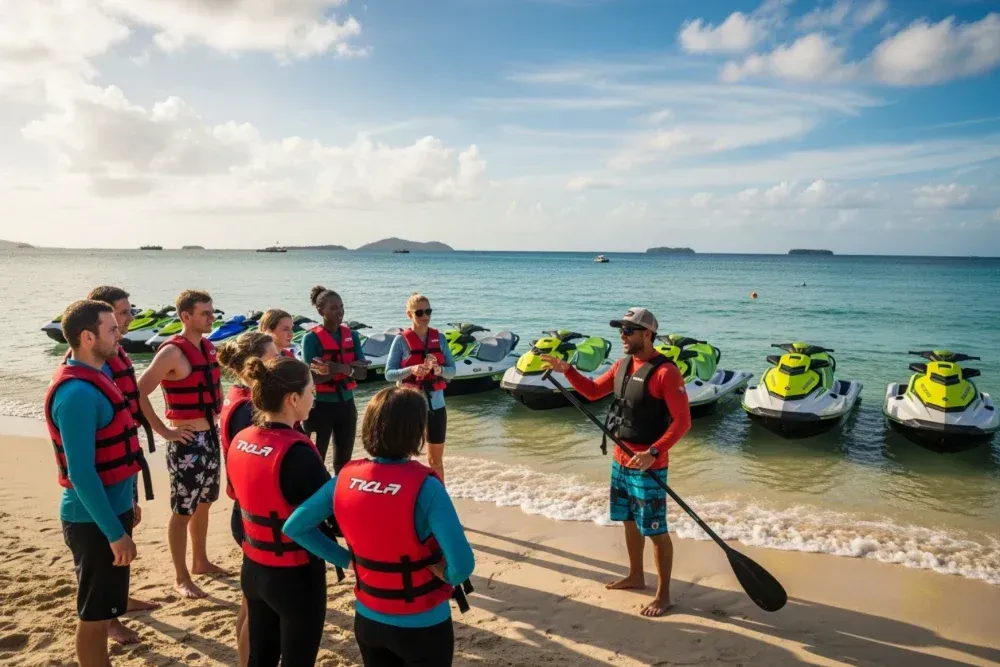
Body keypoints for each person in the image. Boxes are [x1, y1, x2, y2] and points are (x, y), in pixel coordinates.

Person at [284, 386, 475, 667]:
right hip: (423, 623)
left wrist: (347, 560)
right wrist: (445, 573)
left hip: (369, 619)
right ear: (418, 431)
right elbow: (462, 567)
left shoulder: (345, 478)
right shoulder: (427, 487)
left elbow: (295, 526)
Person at [541, 307, 691, 618]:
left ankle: (663, 595)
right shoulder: (623, 365)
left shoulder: (666, 372)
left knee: (654, 529)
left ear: (647, 334)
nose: (622, 336)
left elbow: (682, 422)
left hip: (648, 464)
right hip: (621, 458)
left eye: (628, 330)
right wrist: (567, 370)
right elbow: (593, 392)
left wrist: (653, 452)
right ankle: (636, 576)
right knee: (627, 519)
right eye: (620, 330)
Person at [44, 300, 147, 666]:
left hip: (110, 513)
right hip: (91, 522)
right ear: (88, 337)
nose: (121, 333)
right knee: (93, 617)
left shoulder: (99, 377)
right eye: (112, 329)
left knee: (105, 608)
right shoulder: (77, 395)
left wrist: (127, 506)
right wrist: (114, 533)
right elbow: (82, 474)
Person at [227, 355, 335, 667]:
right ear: (293, 399)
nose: (314, 398)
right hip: (295, 576)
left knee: (260, 657)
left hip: (254, 569)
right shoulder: (297, 453)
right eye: (311, 391)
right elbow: (334, 519)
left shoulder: (241, 439)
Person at [82, 286, 160, 645]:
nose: (126, 319)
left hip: (124, 460)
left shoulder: (117, 352)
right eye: (122, 314)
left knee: (129, 527)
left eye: (127, 313)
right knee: (110, 540)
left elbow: (135, 399)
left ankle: (121, 600)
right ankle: (110, 620)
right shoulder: (96, 363)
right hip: (106, 470)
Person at [137, 289, 225, 599]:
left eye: (211, 311)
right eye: (204, 312)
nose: (210, 317)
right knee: (183, 509)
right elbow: (140, 392)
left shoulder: (208, 347)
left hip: (210, 437)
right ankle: (181, 576)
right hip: (187, 442)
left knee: (205, 502)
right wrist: (164, 430)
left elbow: (215, 387)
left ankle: (200, 561)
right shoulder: (172, 352)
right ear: (185, 316)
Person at [217, 331, 279, 667]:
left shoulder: (240, 395)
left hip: (246, 512)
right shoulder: (248, 407)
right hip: (251, 515)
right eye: (274, 354)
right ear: (254, 361)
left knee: (250, 601)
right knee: (256, 607)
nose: (279, 358)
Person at [384, 293, 456, 483]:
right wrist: (412, 369)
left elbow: (453, 371)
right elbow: (389, 374)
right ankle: (404, 496)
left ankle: (440, 502)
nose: (425, 316)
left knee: (435, 460)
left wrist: (439, 369)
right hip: (409, 405)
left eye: (428, 311)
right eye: (420, 312)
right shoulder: (400, 341)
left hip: (436, 406)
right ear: (410, 314)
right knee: (404, 458)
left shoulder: (439, 338)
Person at [301, 286, 368, 472]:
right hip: (319, 407)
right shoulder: (311, 339)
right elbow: (313, 378)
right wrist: (349, 369)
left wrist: (336, 368)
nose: (339, 311)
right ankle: (313, 498)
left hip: (346, 406)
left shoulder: (352, 336)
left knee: (343, 462)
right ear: (320, 310)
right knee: (314, 460)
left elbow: (362, 374)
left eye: (341, 306)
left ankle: (339, 498)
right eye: (333, 308)